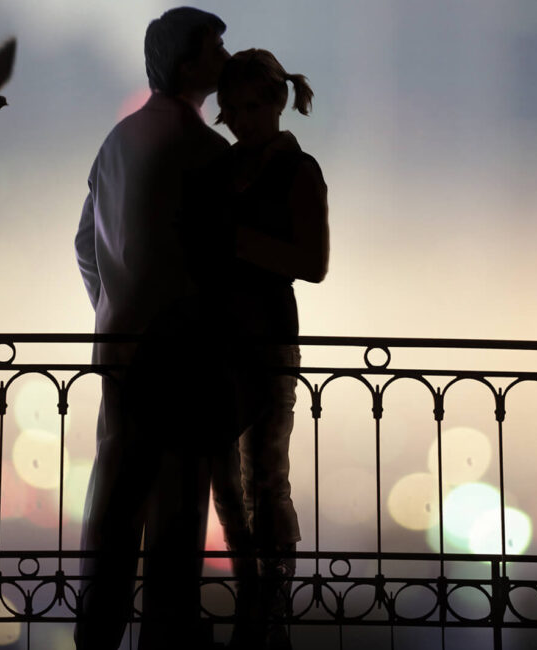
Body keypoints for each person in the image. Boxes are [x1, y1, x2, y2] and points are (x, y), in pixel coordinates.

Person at [73, 8, 230, 650]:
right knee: (177, 509)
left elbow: (85, 244)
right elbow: (222, 261)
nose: (225, 57)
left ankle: (96, 631)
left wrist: (111, 307)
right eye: (216, 47)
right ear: (190, 62)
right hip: (183, 353)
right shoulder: (205, 151)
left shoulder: (117, 141)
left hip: (120, 350)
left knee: (114, 502)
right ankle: (164, 638)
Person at [205, 49, 329, 650]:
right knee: (231, 481)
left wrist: (237, 242)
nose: (242, 121)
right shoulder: (235, 166)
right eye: (233, 112)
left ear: (278, 103)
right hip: (226, 339)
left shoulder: (297, 170)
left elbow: (314, 262)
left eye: (250, 108)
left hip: (266, 342)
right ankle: (257, 599)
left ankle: (267, 606)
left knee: (264, 480)